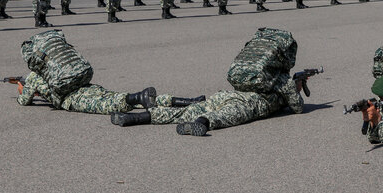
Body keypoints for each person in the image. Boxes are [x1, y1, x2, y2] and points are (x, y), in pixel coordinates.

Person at [111, 74, 305, 137]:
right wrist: (296, 87)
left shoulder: (264, 76)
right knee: (221, 116)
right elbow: (297, 108)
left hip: (226, 94)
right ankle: (201, 124)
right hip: (248, 103)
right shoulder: (285, 85)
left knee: (185, 112)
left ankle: (131, 118)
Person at [17, 71, 158, 114]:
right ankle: (162, 100)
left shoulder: (34, 76)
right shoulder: (57, 68)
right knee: (111, 95)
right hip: (86, 87)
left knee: (105, 105)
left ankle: (139, 97)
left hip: (72, 98)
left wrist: (22, 90)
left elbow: (25, 101)